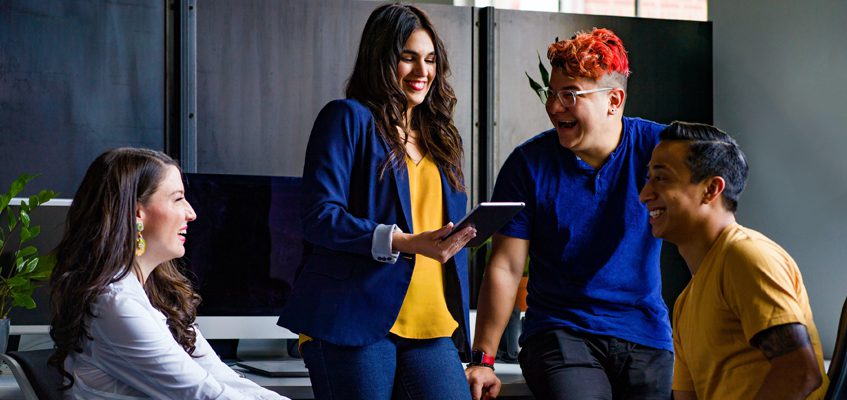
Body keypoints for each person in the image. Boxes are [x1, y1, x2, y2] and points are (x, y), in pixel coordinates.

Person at [277, 3, 476, 400]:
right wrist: (402, 241)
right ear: (382, 59)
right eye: (408, 58)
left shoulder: (442, 140)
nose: (423, 72)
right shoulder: (346, 118)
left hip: (432, 322)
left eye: (430, 60)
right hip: (353, 317)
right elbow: (320, 216)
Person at [467, 28, 673, 400]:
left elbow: (715, 190)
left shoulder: (659, 149)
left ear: (614, 100)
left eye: (570, 95)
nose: (553, 107)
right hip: (560, 332)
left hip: (644, 335)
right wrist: (483, 359)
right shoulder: (528, 165)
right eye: (552, 93)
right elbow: (506, 267)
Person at [48, 148, 287, 400]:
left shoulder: (156, 296)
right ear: (136, 212)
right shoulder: (115, 304)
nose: (191, 213)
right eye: (177, 199)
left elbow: (223, 379)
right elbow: (206, 394)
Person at [639, 121, 828, 399]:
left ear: (711, 189)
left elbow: (800, 373)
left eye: (662, 178)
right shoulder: (685, 303)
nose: (645, 194)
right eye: (648, 179)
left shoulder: (746, 257)